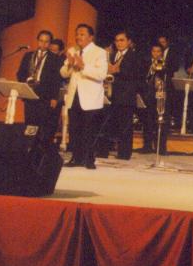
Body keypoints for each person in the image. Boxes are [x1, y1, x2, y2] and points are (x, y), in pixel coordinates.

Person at [60, 24, 108, 169]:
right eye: (77, 34)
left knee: (89, 130)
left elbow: (101, 74)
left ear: (90, 37)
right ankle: (76, 157)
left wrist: (83, 66)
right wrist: (70, 65)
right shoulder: (73, 51)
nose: (78, 37)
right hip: (74, 94)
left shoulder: (99, 52)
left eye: (82, 34)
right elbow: (63, 73)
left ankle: (89, 159)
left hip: (90, 97)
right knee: (74, 128)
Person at [16, 30, 62, 144]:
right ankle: (28, 146)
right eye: (41, 41)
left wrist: (54, 97)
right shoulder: (28, 55)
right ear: (38, 41)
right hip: (30, 94)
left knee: (43, 125)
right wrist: (26, 82)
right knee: (29, 123)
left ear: (50, 43)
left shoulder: (55, 58)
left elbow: (57, 80)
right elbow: (20, 73)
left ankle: (40, 148)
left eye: (46, 42)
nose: (43, 44)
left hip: (45, 96)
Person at [102, 30, 140, 160]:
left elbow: (136, 75)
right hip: (111, 94)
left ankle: (124, 154)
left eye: (122, 40)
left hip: (125, 96)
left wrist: (118, 70)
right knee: (108, 124)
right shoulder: (112, 55)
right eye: (117, 40)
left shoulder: (134, 56)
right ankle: (103, 151)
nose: (119, 43)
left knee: (125, 126)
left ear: (129, 42)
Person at [140, 43, 169, 155]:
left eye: (158, 51)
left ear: (161, 53)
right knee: (147, 121)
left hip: (160, 94)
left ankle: (161, 148)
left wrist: (159, 66)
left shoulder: (164, 62)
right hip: (148, 94)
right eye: (154, 51)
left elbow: (162, 74)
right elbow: (144, 77)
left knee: (160, 121)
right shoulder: (146, 63)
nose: (156, 54)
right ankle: (147, 146)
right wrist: (151, 69)